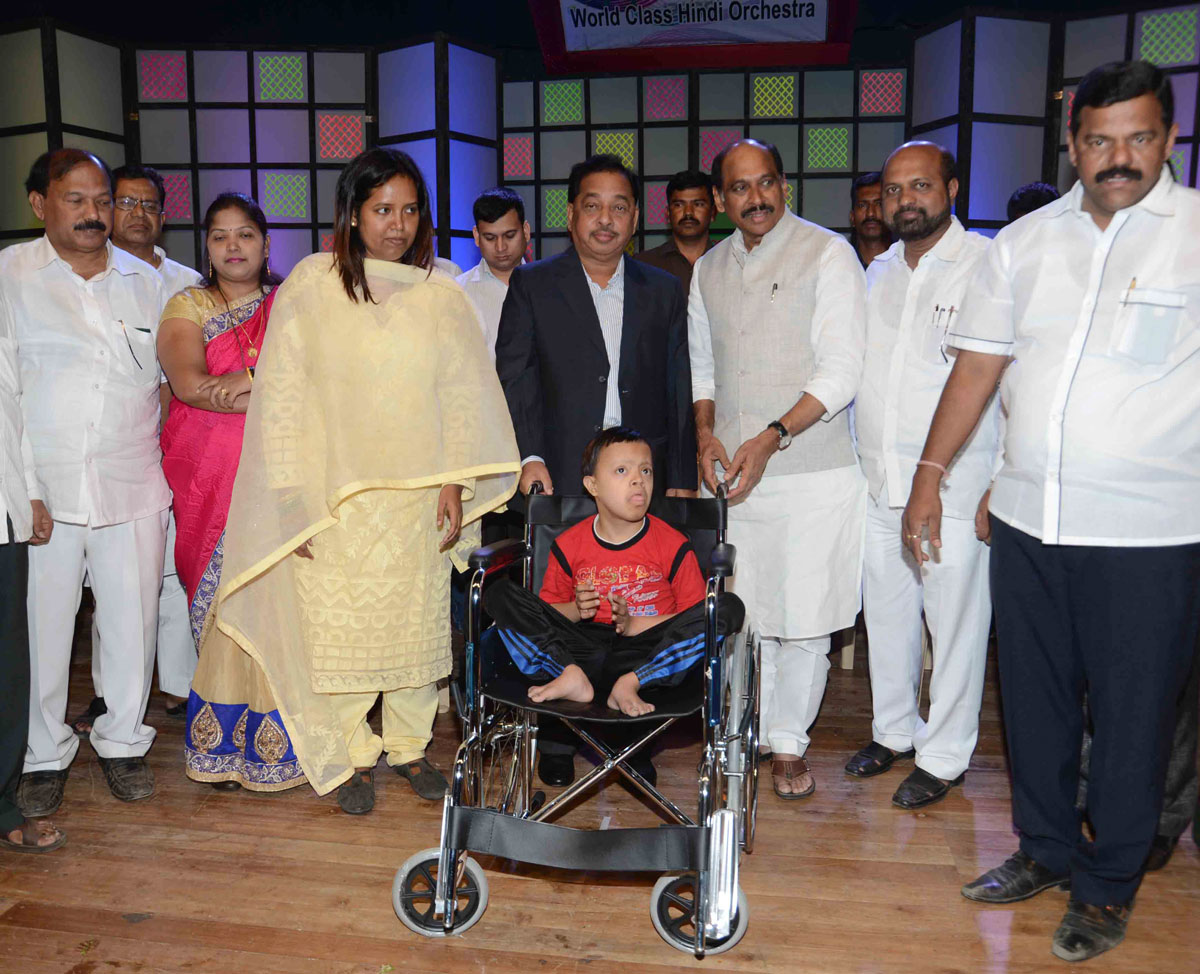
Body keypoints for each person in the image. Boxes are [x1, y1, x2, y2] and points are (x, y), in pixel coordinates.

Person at [903, 61, 1200, 962]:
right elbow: (979, 369)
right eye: (1099, 140)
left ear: (1169, 138)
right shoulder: (1024, 244)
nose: (1119, 157)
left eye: (1138, 137)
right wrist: (931, 474)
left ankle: (1108, 887)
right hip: (1029, 522)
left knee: (1132, 713)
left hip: (1150, 534)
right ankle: (1042, 848)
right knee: (1030, 705)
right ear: (1071, 145)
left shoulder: (1195, 236)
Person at [211, 147, 519, 815]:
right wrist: (291, 496)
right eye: (382, 210)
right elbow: (284, 397)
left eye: (409, 210)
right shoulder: (313, 285)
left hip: (418, 493)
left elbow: (462, 395)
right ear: (351, 214)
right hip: (338, 495)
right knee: (340, 635)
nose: (397, 225)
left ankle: (408, 748)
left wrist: (454, 485)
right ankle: (351, 753)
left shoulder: (441, 293)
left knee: (413, 630)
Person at [495, 153, 697, 787]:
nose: (605, 219)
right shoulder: (534, 284)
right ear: (570, 214)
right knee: (560, 602)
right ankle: (559, 734)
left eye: (619, 206)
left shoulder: (663, 289)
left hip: (640, 472)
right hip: (559, 470)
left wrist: (680, 470)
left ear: (635, 217)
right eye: (592, 204)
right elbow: (514, 375)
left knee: (639, 597)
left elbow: (678, 382)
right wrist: (528, 455)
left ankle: (631, 731)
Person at [690, 138, 867, 800]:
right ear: (719, 200)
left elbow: (843, 369)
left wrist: (770, 437)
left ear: (785, 186)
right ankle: (744, 737)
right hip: (735, 479)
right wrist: (706, 432)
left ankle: (790, 745)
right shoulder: (707, 268)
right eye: (740, 188)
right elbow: (702, 363)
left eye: (766, 183)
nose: (756, 198)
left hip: (813, 473)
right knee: (745, 618)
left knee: (806, 618)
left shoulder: (828, 254)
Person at [3, 149, 168, 814]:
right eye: (76, 199)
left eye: (104, 199)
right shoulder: (11, 275)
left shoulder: (150, 281)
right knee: (42, 626)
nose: (96, 213)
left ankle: (123, 743)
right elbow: (4, 392)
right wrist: (23, 490)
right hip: (45, 487)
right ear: (40, 204)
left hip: (133, 479)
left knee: (133, 623)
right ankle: (42, 755)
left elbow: (170, 383)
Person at [846, 142, 998, 809]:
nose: (906, 199)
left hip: (954, 489)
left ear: (953, 189)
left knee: (955, 623)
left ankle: (944, 755)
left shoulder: (987, 267)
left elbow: (1010, 381)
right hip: (880, 484)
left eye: (921, 186)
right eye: (895, 189)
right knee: (888, 616)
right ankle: (894, 731)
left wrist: (1002, 479)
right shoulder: (877, 272)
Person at [157, 192, 296, 791]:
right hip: (206, 478)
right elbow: (189, 385)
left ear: (266, 245)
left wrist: (241, 386)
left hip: (280, 478)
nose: (234, 246)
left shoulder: (292, 305)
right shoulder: (187, 304)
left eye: (246, 234)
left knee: (280, 608)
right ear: (207, 248)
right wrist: (267, 381)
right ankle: (218, 748)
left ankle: (279, 751)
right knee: (219, 612)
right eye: (220, 236)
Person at [72, 164, 204, 738]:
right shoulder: (85, 279)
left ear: (163, 214)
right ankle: (109, 695)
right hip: (113, 454)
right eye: (126, 203)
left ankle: (178, 687)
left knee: (177, 574)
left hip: (182, 448)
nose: (137, 215)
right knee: (116, 585)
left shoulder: (188, 281)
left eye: (149, 205)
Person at [485, 427, 744, 718]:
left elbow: (693, 617)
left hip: (644, 654)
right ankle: (569, 676)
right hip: (580, 652)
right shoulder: (568, 544)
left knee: (725, 607)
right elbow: (547, 616)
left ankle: (629, 685)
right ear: (593, 486)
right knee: (496, 590)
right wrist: (577, 609)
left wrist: (635, 624)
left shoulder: (673, 543)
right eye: (621, 470)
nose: (638, 480)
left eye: (646, 471)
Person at [0, 286, 66, 854]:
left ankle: (2, 800)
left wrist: (31, 493)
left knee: (6, 666)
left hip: (2, 511)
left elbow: (11, 403)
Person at [456, 187, 530, 359]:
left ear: (526, 231)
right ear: (476, 236)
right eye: (490, 238)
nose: (500, 247)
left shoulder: (549, 286)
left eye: (509, 235)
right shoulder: (459, 292)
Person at [634, 169, 717, 290]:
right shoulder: (643, 265)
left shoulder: (730, 263)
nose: (688, 212)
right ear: (667, 214)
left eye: (698, 204)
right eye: (679, 205)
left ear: (713, 213)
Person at [849, 171, 893, 268]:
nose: (870, 213)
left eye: (879, 204)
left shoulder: (908, 262)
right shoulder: (840, 263)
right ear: (852, 217)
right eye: (862, 205)